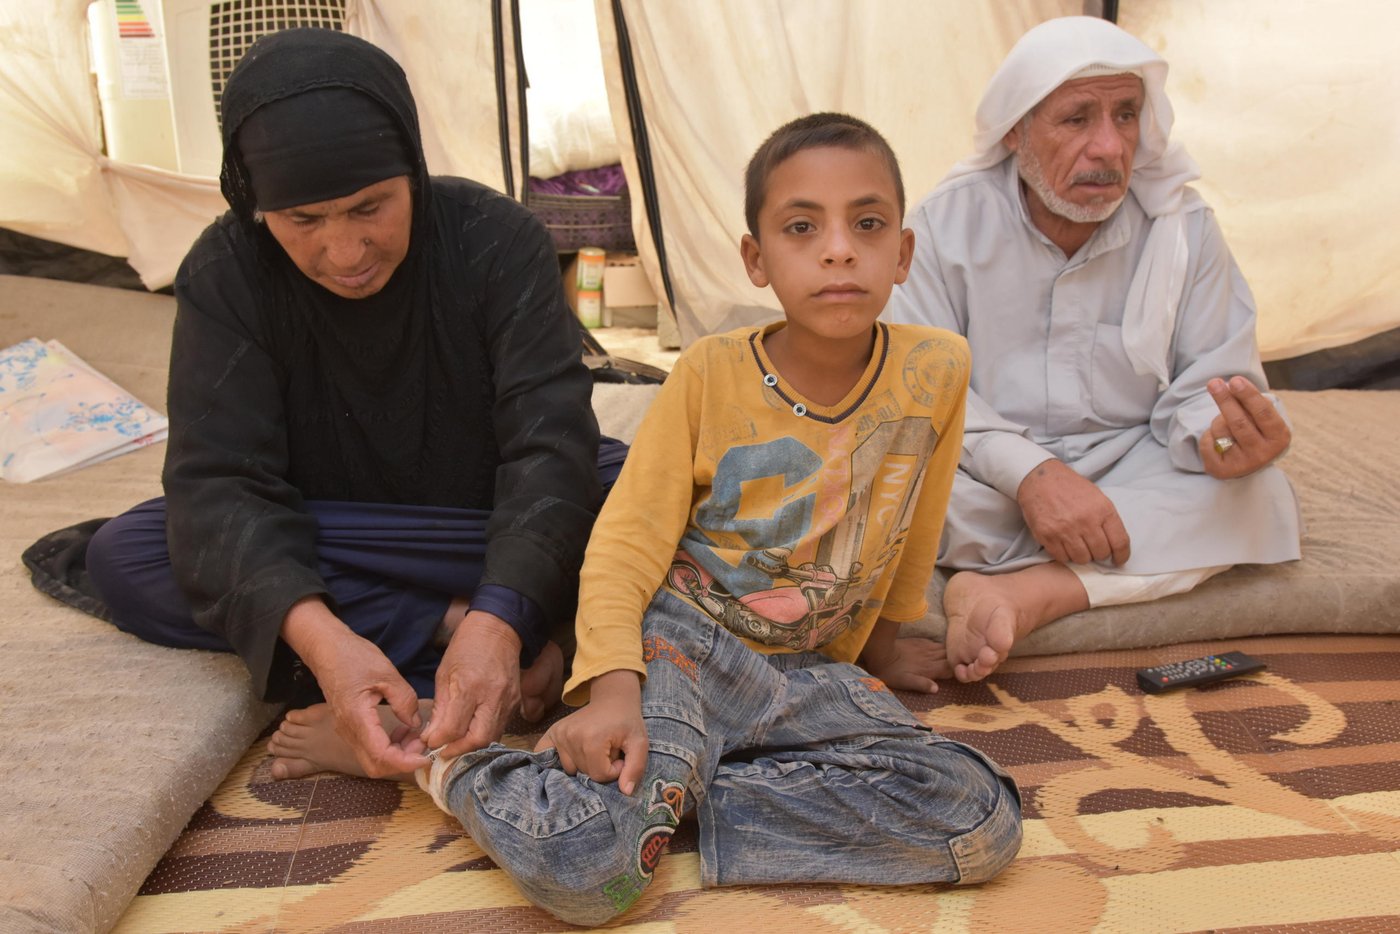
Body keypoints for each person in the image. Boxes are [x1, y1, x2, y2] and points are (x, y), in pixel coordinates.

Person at [268, 112, 1023, 926]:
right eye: (803, 227)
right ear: (756, 258)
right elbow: (625, 543)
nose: (839, 248)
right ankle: (442, 763)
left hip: (808, 674)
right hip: (683, 648)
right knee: (595, 877)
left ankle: (676, 804)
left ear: (902, 251)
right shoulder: (708, 374)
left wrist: (885, 638)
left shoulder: (937, 366)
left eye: (867, 224)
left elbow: (916, 503)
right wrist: (614, 687)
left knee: (976, 818)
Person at [80, 28, 624, 781]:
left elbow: (547, 447)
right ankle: (477, 631)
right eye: (303, 220)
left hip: (483, 518)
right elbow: (221, 485)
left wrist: (502, 606)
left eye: (370, 207)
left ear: (413, 169)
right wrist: (327, 646)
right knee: (132, 553)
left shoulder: (498, 240)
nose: (344, 251)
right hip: (338, 526)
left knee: (652, 505)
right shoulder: (225, 272)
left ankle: (506, 627)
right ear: (255, 203)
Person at [885, 16, 1301, 682]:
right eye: (1077, 119)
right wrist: (1033, 476)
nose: (1109, 148)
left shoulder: (1182, 228)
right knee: (887, 480)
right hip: (986, 476)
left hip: (1126, 467)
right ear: (1015, 131)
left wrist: (1222, 439)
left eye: (1127, 115)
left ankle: (1023, 591)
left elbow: (1210, 385)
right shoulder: (940, 228)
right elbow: (926, 390)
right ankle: (1079, 564)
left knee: (1257, 493)